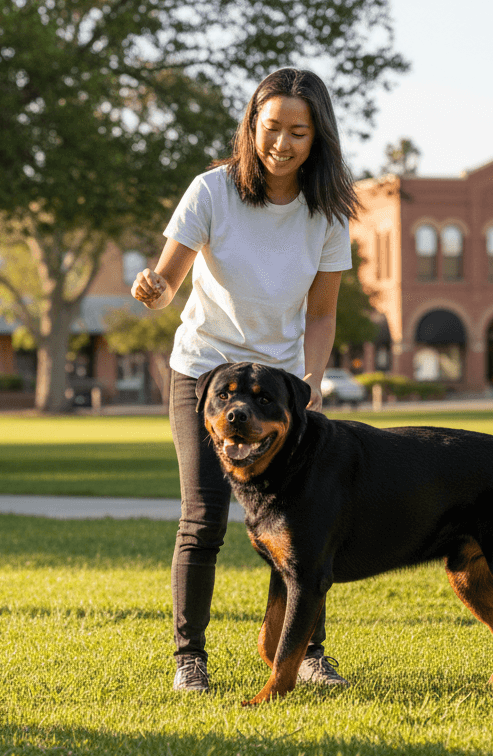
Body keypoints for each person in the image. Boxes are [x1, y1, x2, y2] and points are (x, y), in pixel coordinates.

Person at [131, 68, 361, 693]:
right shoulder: (211, 192)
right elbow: (168, 282)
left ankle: (307, 654)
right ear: (251, 128)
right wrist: (153, 290)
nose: (281, 144)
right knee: (204, 517)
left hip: (280, 383)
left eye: (297, 132)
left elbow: (321, 311)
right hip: (205, 371)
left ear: (318, 138)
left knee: (302, 523)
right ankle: (190, 661)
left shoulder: (327, 213)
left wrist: (309, 380)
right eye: (270, 129)